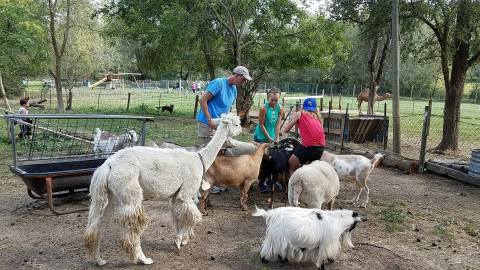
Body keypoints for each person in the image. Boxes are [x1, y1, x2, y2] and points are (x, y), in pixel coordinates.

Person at [197, 66, 252, 194]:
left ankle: (214, 181)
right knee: (207, 152)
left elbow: (227, 109)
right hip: (207, 123)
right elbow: (203, 99)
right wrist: (209, 119)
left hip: (220, 125)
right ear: (236, 75)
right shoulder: (219, 83)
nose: (243, 82)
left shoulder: (233, 90)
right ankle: (203, 183)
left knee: (219, 152)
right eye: (242, 79)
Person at [282, 97, 325, 177]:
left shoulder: (300, 113)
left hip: (308, 147)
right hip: (320, 148)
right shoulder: (318, 118)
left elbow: (286, 130)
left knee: (290, 165)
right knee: (310, 170)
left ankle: (292, 187)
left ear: (303, 107)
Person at [254, 88, 285, 193]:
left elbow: (278, 124)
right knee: (262, 161)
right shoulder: (263, 108)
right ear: (268, 97)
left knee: (271, 159)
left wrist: (276, 137)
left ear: (279, 98)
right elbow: (261, 124)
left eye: (276, 100)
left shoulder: (280, 109)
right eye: (272, 99)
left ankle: (267, 180)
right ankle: (260, 182)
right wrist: (268, 138)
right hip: (261, 137)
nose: (273, 102)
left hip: (271, 137)